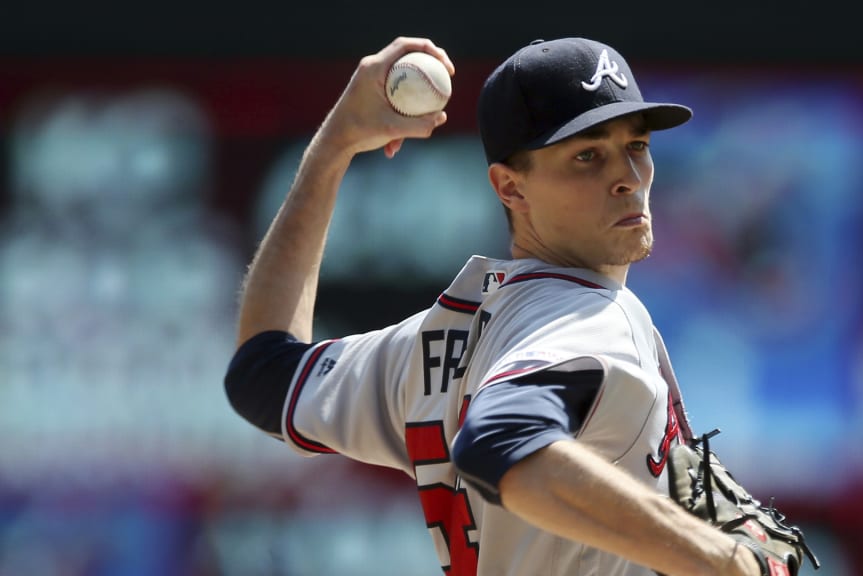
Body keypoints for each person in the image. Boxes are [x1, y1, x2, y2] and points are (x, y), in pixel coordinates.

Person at [224, 36, 764, 576]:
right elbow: (500, 439)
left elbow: (263, 374)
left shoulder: (438, 341)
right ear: (510, 188)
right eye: (587, 156)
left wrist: (333, 147)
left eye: (637, 146)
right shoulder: (590, 321)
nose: (628, 178)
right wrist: (722, 559)